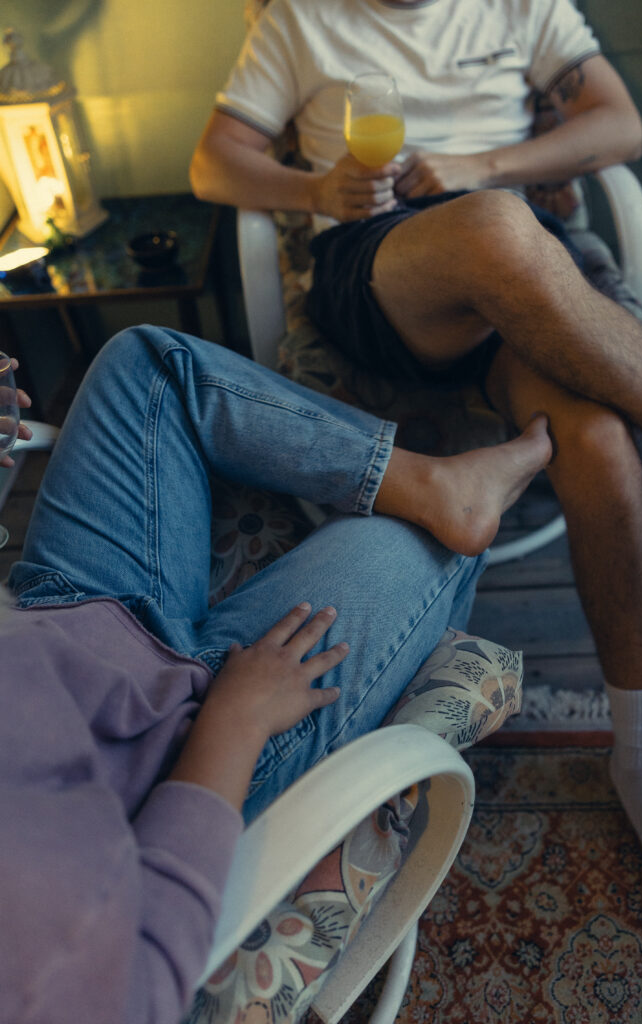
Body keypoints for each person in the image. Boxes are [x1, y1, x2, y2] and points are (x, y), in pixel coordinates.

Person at [189, 0, 642, 966]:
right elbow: (211, 160)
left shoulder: (518, 5)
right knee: (486, 227)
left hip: (528, 273)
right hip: (384, 274)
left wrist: (485, 165)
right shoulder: (300, 19)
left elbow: (620, 125)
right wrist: (319, 185)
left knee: (597, 435)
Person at [1, 324, 550, 1024]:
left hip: (66, 620)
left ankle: (434, 481)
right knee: (416, 544)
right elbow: (140, 975)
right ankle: (443, 499)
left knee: (146, 362)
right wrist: (236, 725)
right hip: (180, 757)